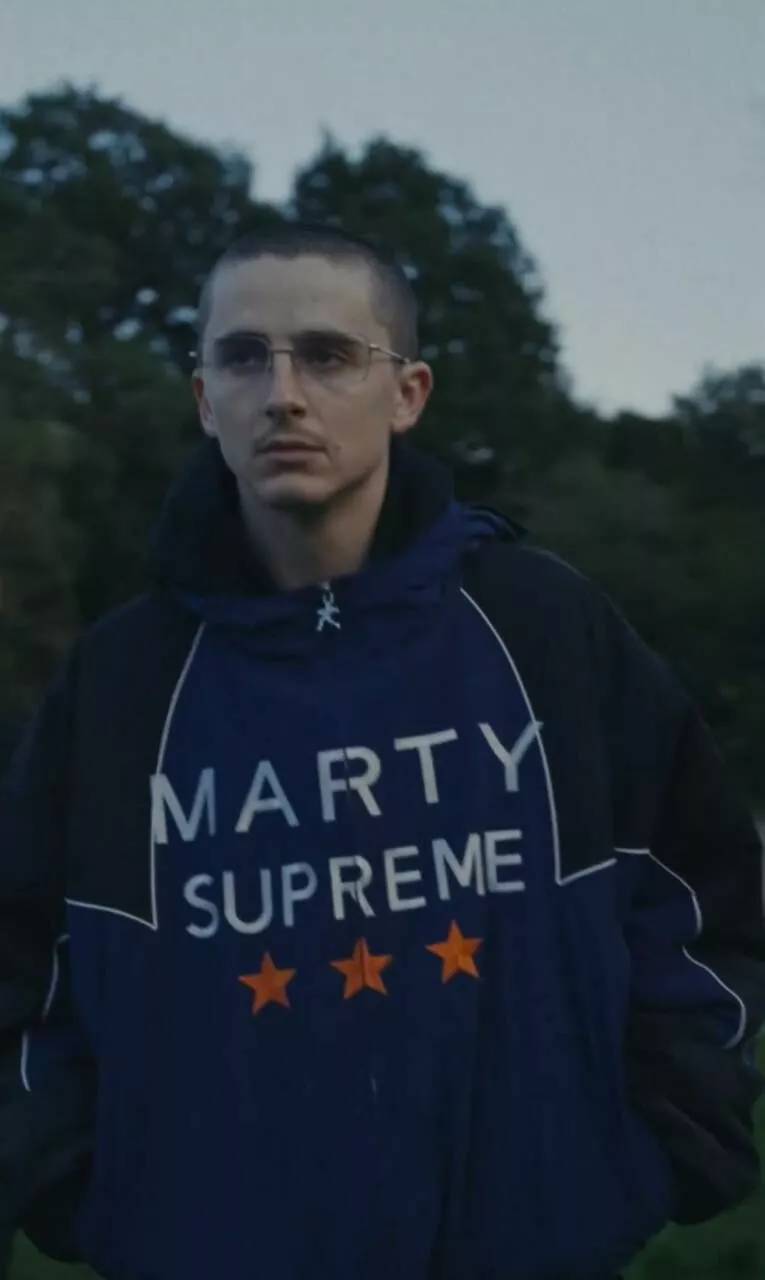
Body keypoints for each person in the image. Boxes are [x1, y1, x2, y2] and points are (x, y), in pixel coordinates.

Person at [1, 224, 763, 1280]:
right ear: (204, 400)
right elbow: (23, 962)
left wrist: (660, 1140)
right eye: (243, 357)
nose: (282, 395)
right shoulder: (122, 680)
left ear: (407, 393)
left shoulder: (543, 626)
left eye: (327, 355)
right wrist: (85, 1186)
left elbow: (703, 894)